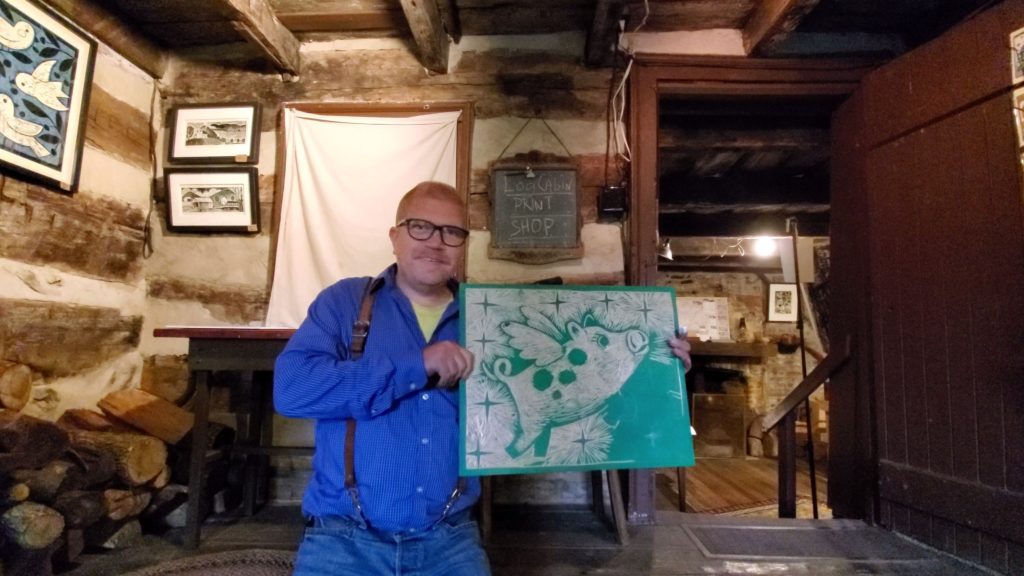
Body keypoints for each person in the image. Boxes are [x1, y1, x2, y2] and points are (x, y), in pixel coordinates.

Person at [274, 181, 693, 576]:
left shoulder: (492, 318)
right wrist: (416, 365)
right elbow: (291, 390)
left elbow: (586, 387)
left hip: (449, 539)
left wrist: (660, 368)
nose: (436, 241)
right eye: (421, 227)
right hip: (343, 538)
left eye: (452, 232)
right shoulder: (346, 302)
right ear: (395, 236)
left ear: (463, 245)